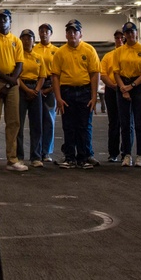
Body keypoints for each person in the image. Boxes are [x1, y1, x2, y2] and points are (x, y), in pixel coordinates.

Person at [50, 19, 100, 169]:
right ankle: (70, 157)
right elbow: (55, 76)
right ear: (66, 35)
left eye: (75, 31)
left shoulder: (89, 50)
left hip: (85, 91)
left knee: (84, 125)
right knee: (69, 126)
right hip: (67, 92)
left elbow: (94, 74)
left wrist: (93, 96)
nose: (72, 34)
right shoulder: (60, 53)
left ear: (80, 34)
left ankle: (84, 157)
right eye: (69, 32)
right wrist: (58, 98)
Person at [0, 9, 27, 173]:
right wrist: (7, 81)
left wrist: (10, 83)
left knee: (13, 122)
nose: (2, 22)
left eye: (5, 19)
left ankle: (12, 159)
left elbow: (20, 65)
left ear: (10, 21)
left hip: (12, 83)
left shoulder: (17, 41)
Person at [114, 21, 141, 168]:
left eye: (132, 32)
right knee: (124, 123)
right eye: (127, 33)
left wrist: (132, 86)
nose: (130, 35)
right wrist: (123, 87)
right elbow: (116, 72)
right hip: (123, 84)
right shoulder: (119, 51)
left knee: (139, 122)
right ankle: (126, 154)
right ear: (124, 35)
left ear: (136, 33)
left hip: (137, 86)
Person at [15, 29, 46, 167]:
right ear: (20, 41)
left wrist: (36, 90)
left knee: (36, 125)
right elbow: (16, 76)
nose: (27, 41)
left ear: (34, 40)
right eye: (24, 38)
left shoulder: (39, 57)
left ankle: (36, 156)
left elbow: (42, 76)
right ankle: (19, 156)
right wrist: (27, 89)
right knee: (19, 125)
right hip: (21, 89)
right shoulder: (17, 56)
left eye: (29, 38)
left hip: (36, 90)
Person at [33, 23, 58, 163]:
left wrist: (50, 89)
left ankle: (46, 151)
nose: (43, 33)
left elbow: (58, 73)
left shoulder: (56, 51)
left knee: (49, 120)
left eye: (46, 31)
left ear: (51, 33)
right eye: (41, 31)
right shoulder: (34, 48)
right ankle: (37, 150)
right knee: (37, 120)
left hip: (50, 84)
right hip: (37, 84)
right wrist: (38, 88)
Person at [100, 30, 124, 163]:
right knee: (113, 122)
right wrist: (113, 86)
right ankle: (113, 152)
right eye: (117, 38)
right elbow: (103, 74)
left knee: (127, 123)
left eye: (121, 38)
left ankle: (126, 152)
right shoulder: (108, 56)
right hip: (112, 90)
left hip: (126, 89)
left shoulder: (127, 54)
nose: (119, 40)